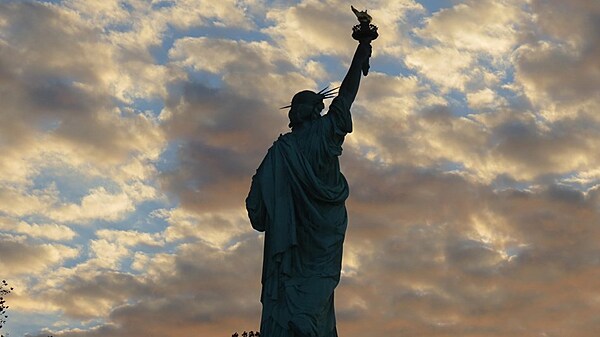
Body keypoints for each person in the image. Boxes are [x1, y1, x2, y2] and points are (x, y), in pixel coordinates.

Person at [246, 42, 372, 337]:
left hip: (305, 239)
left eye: (296, 105)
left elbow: (255, 206)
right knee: (313, 303)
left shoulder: (282, 150)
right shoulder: (283, 150)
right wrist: (362, 50)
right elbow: (347, 96)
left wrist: (361, 51)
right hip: (316, 236)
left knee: (307, 301)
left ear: (302, 112)